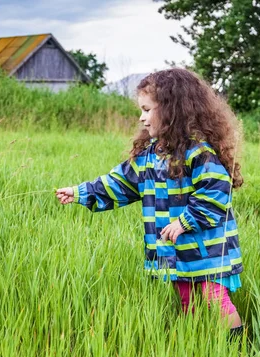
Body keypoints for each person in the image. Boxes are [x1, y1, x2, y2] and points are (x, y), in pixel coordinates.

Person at [56, 68, 244, 336]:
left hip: (207, 252)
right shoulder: (148, 156)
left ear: (171, 110)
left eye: (147, 109)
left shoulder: (199, 152)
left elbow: (215, 193)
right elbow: (118, 183)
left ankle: (237, 351)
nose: (141, 118)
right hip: (174, 252)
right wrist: (80, 193)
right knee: (187, 300)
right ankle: (199, 345)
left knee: (214, 300)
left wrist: (185, 221)